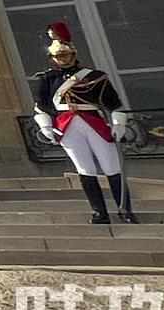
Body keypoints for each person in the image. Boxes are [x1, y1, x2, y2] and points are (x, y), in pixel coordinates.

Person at [31, 20, 135, 225]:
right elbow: (41, 106)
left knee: (111, 166)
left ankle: (125, 210)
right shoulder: (47, 79)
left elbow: (114, 104)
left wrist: (118, 124)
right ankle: (99, 212)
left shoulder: (94, 76)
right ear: (52, 59)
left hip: (94, 122)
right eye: (58, 56)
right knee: (85, 169)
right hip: (67, 126)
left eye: (65, 55)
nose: (62, 59)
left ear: (73, 54)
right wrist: (45, 126)